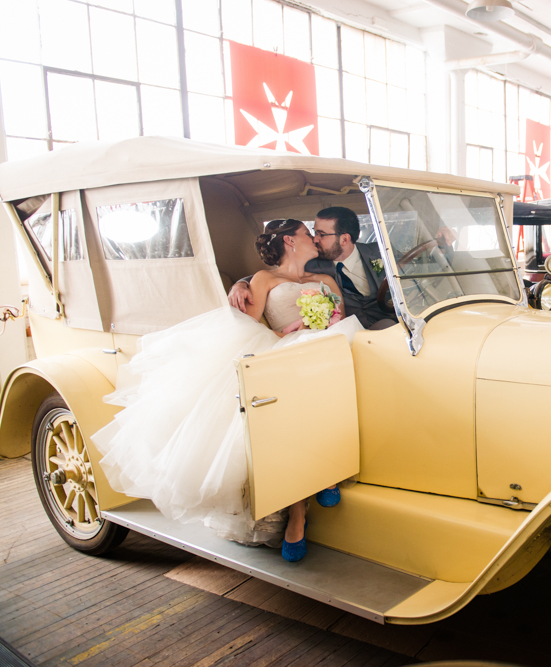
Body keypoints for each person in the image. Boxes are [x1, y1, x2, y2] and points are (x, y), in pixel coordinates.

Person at [92, 219, 363, 563]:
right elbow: (246, 324)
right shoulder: (263, 280)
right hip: (283, 353)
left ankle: (328, 472)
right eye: (306, 234)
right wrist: (282, 324)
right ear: (289, 242)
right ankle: (298, 512)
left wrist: (321, 323)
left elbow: (339, 315)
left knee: (332, 383)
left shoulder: (325, 279)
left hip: (325, 350)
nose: (313, 238)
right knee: (290, 409)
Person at [230, 207, 393, 329]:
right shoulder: (314, 265)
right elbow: (265, 280)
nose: (315, 239)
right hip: (290, 343)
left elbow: (414, 266)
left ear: (344, 239)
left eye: (321, 234)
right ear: (290, 241)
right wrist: (240, 284)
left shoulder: (382, 252)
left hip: (380, 326)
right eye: (311, 234)